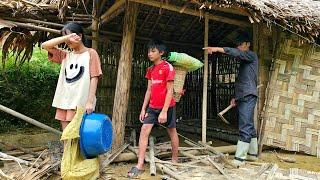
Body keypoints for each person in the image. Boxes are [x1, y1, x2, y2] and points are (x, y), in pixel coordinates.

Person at [203, 33, 258, 167]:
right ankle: (252, 154)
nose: (239, 47)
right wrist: (235, 98)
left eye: (241, 45)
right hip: (243, 96)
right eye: (238, 45)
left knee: (245, 125)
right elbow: (243, 81)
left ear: (248, 44)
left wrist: (218, 49)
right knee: (248, 124)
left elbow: (236, 53)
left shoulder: (251, 55)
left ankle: (240, 159)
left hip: (248, 95)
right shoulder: (245, 62)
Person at [127, 39, 179, 178]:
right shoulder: (150, 69)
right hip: (152, 107)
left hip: (167, 107)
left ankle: (174, 160)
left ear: (161, 52)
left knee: (172, 131)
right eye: (149, 51)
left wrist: (164, 111)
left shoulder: (168, 68)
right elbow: (149, 90)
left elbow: (170, 91)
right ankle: (140, 164)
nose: (149, 53)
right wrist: (143, 109)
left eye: (153, 51)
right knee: (144, 131)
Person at [42, 23, 102, 131]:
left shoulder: (91, 53)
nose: (67, 42)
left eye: (70, 37)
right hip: (64, 101)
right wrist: (66, 36)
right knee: (66, 137)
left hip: (80, 103)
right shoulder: (65, 54)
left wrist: (90, 101)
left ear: (80, 36)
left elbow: (94, 77)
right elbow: (45, 45)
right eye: (66, 39)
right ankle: (66, 149)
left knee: (77, 137)